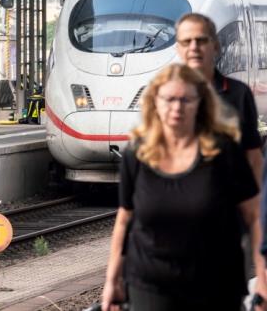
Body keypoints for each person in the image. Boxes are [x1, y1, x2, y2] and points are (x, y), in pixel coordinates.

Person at [101, 64, 266, 311]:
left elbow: (254, 217)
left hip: (216, 284)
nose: (177, 107)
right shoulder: (137, 154)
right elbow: (125, 219)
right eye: (169, 99)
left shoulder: (224, 153)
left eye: (185, 99)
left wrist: (262, 279)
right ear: (155, 102)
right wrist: (112, 279)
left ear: (201, 103)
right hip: (150, 285)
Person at [175, 13, 262, 184]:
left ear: (216, 46)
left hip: (228, 201)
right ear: (177, 49)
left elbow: (253, 156)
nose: (194, 47)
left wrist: (256, 206)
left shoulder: (239, 94)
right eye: (186, 41)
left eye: (201, 40)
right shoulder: (163, 94)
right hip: (177, 200)